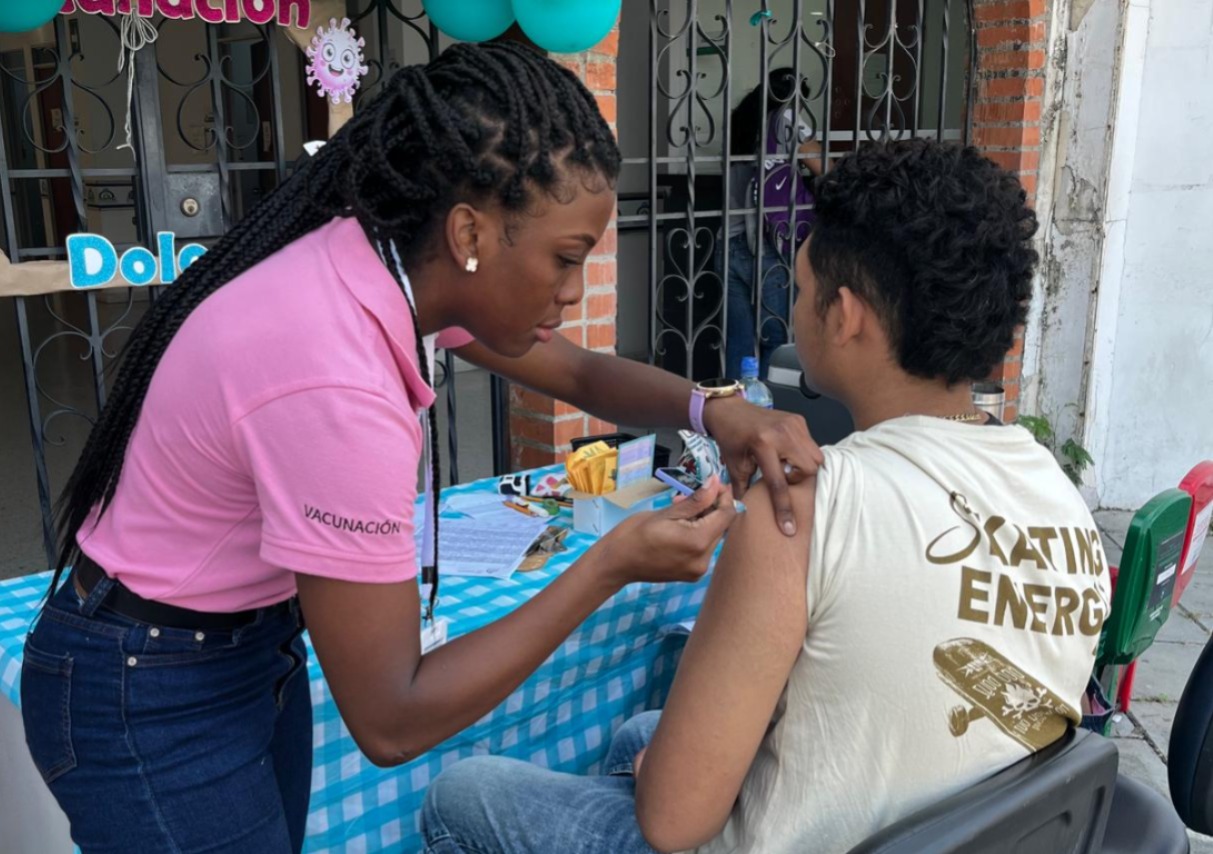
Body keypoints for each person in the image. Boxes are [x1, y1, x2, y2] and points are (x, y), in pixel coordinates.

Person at [19, 43, 822, 854]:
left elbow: (577, 371)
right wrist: (609, 565)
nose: (574, 290)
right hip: (146, 686)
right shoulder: (337, 379)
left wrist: (708, 407)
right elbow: (392, 719)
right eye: (566, 259)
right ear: (470, 231)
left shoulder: (389, 263)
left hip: (238, 644)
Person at [421, 140, 1113, 854]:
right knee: (638, 732)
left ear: (844, 317)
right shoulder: (1059, 499)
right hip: (961, 827)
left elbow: (671, 822)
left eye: (802, 288)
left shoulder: (802, 509)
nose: (793, 302)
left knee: (459, 795)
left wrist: (663, 772)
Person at [719, 67, 824, 381]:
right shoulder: (786, 117)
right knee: (776, 341)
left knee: (739, 343)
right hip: (765, 248)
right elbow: (826, 167)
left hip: (727, 244)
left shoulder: (740, 121)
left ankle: (736, 416)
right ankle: (768, 413)